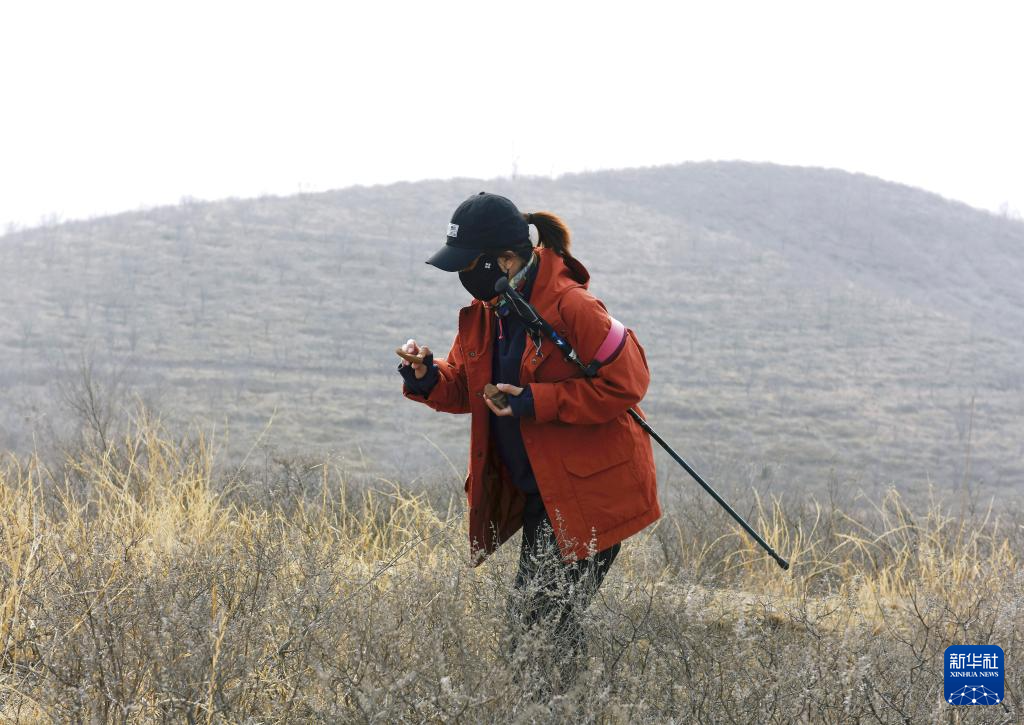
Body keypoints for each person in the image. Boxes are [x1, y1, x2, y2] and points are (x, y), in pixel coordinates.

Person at [397, 191, 660, 690]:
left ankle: (563, 708)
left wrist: (536, 401)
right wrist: (428, 376)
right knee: (543, 627)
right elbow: (467, 387)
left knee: (536, 629)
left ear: (506, 260)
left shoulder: (574, 306)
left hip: (592, 493)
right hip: (546, 493)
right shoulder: (485, 312)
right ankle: (575, 706)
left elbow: (629, 383)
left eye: (467, 264)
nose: (462, 276)